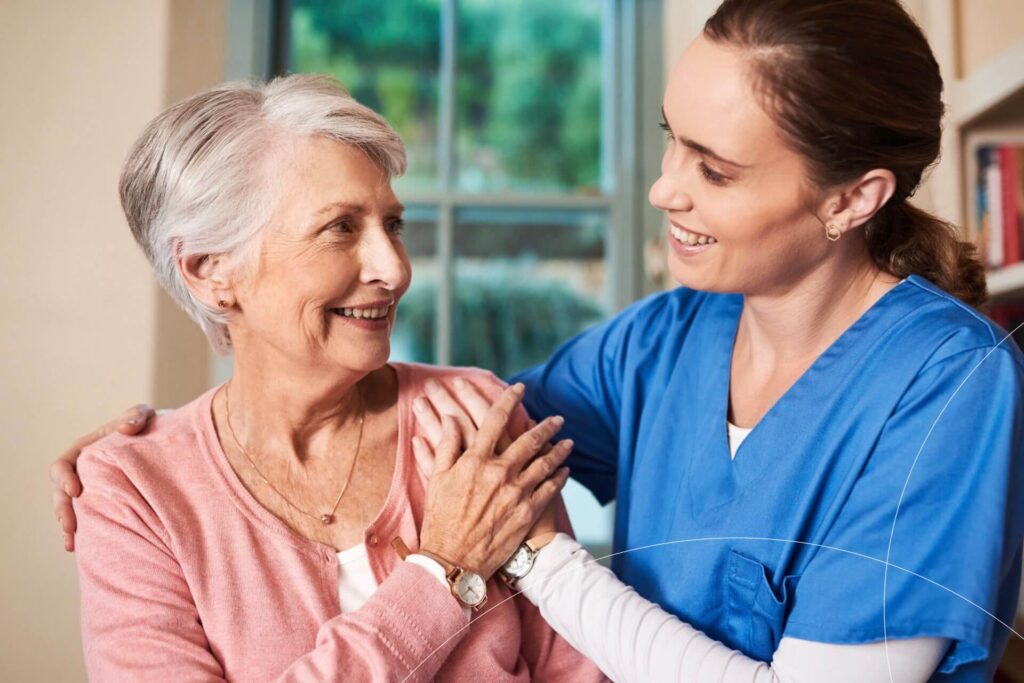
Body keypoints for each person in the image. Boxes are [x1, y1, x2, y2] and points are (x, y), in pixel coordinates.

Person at [53, 0, 1024, 681]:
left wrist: (530, 563)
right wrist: (151, 446)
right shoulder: (657, 344)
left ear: (853, 198)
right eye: (667, 139)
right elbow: (466, 422)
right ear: (205, 269)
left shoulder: (946, 381)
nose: (660, 189)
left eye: (714, 170)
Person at [53, 73, 603, 682]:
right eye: (340, 227)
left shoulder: (474, 415)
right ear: (212, 271)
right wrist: (443, 569)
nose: (393, 269)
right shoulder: (135, 492)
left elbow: (574, 669)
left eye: (393, 225)